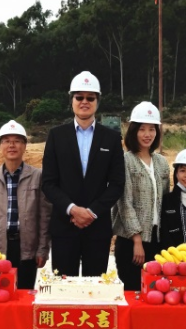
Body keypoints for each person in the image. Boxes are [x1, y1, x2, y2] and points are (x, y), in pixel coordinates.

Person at [41, 71, 125, 277]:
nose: (84, 102)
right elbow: (49, 183)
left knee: (95, 289)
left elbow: (116, 184)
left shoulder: (111, 138)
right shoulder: (56, 136)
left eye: (90, 98)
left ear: (97, 101)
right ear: (72, 101)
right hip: (64, 227)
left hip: (97, 228)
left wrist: (92, 212)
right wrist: (72, 209)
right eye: (79, 97)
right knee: (63, 288)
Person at [0, 120, 51, 289]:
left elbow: (44, 217)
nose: (12, 145)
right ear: (0, 146)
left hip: (27, 248)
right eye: (7, 141)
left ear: (24, 146)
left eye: (17, 141)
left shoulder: (38, 177)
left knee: (24, 292)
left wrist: (42, 249)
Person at [112, 102, 170, 290]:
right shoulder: (125, 161)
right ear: (133, 131)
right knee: (133, 290)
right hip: (131, 242)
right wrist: (137, 240)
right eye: (142, 129)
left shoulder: (161, 162)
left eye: (152, 129)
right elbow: (124, 203)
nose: (147, 134)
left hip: (156, 239)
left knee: (156, 292)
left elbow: (165, 199)